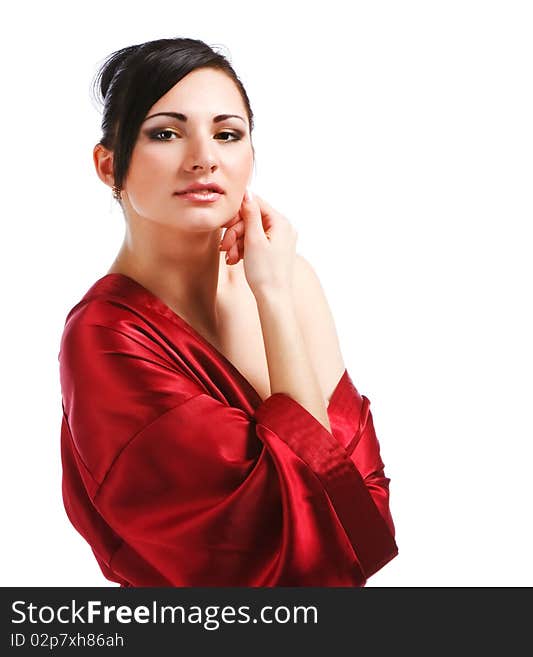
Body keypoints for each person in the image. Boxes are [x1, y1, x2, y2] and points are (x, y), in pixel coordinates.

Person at [58, 38, 398, 586]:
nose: (204, 157)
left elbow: (359, 521)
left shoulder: (288, 281)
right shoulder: (106, 337)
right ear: (108, 165)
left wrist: (273, 296)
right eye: (165, 133)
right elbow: (284, 544)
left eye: (227, 134)